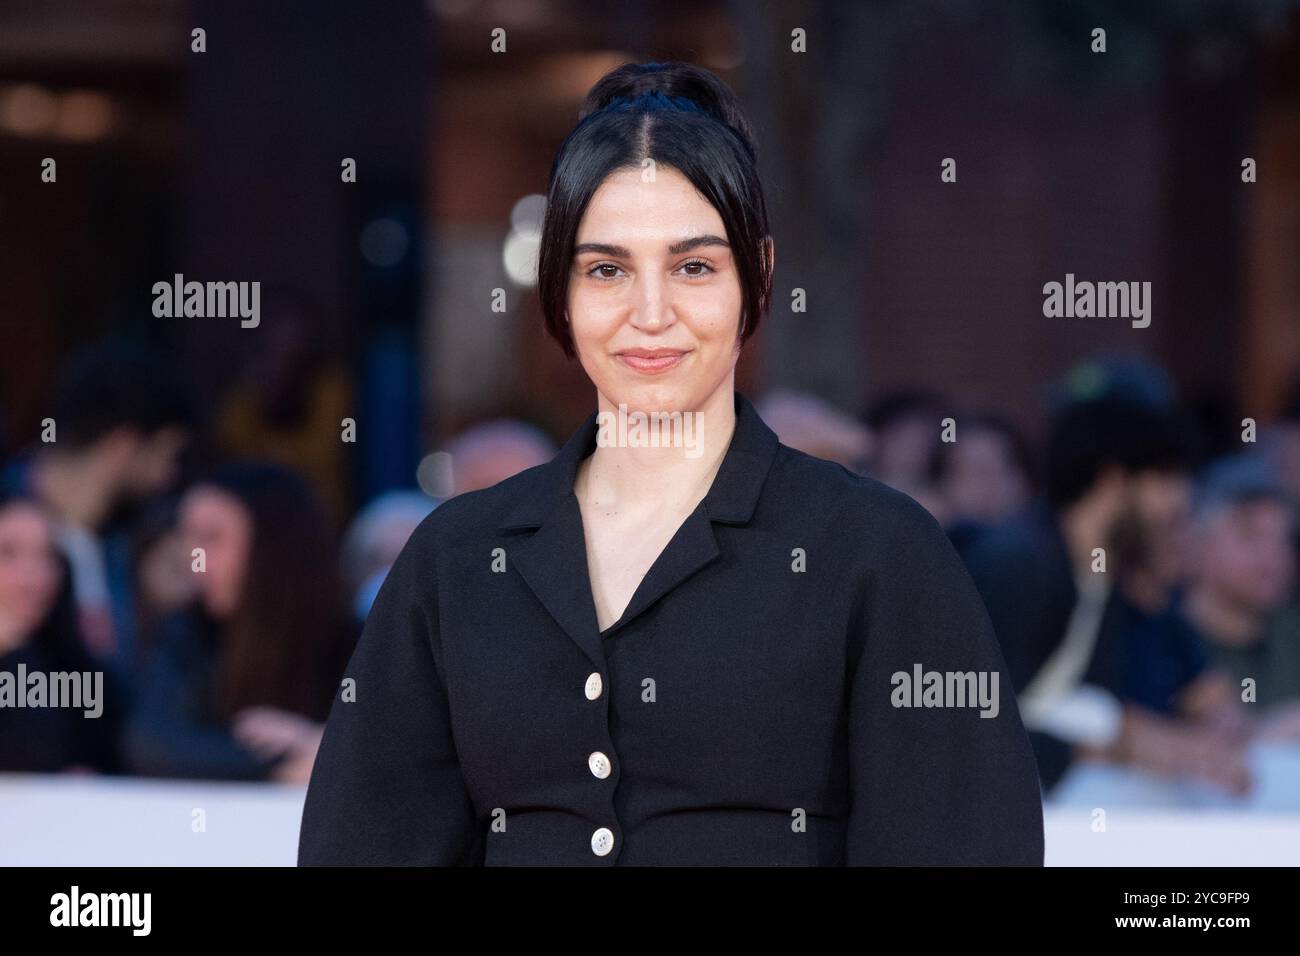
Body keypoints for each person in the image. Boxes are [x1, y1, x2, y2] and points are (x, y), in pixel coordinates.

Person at [300, 61, 1042, 866]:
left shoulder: (876, 554)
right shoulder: (455, 561)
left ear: (756, 274)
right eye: (607, 269)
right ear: (560, 288)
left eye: (694, 266)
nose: (650, 315)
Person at [964, 383, 1248, 795]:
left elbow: (1086, 708)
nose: (1179, 504)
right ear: (1111, 481)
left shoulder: (1100, 580)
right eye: (1166, 480)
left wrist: (1182, 747)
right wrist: (1111, 750)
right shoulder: (1018, 565)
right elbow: (972, 719)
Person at [124, 462, 354, 782]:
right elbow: (153, 742)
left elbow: (403, 751)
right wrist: (293, 759)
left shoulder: (356, 642)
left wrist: (321, 742)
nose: (193, 561)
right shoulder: (188, 631)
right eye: (187, 537)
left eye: (211, 538)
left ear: (275, 543)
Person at [3, 343, 195, 683]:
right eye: (167, 454)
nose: (170, 476)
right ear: (123, 446)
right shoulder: (10, 510)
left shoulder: (130, 541)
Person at [0, 491, 120, 773]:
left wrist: (17, 652)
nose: (33, 577)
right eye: (8, 553)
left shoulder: (80, 670)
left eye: (47, 556)